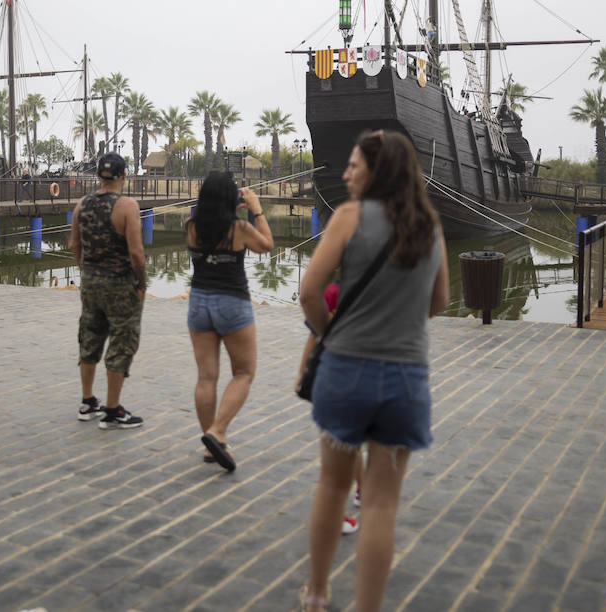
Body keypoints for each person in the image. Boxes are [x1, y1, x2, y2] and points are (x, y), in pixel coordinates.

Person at [294, 130, 449, 611]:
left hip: (346, 374)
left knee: (334, 484)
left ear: (376, 171)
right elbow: (439, 302)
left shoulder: (349, 218)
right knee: (382, 504)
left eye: (354, 167)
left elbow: (308, 292)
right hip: (405, 381)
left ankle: (317, 593)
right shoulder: (430, 227)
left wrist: (329, 335)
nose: (345, 174)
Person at [184, 171, 273, 472]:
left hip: (198, 302)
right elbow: (267, 245)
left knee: (206, 377)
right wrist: (256, 209)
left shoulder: (191, 226)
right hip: (232, 303)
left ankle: (212, 448)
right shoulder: (239, 228)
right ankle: (217, 431)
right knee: (244, 373)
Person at [67, 151, 147, 429]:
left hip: (90, 283)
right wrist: (141, 283)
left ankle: (87, 402)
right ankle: (112, 410)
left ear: (99, 175)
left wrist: (85, 270)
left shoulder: (82, 204)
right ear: (124, 176)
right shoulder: (127, 206)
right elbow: (136, 253)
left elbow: (73, 245)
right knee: (121, 341)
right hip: (120, 285)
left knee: (89, 338)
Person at [293, 282, 363, 535]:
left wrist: (302, 372)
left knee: (338, 446)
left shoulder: (334, 292)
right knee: (354, 441)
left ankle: (337, 512)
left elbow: (314, 333)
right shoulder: (390, 286)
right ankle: (363, 492)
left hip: (337, 372)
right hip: (380, 370)